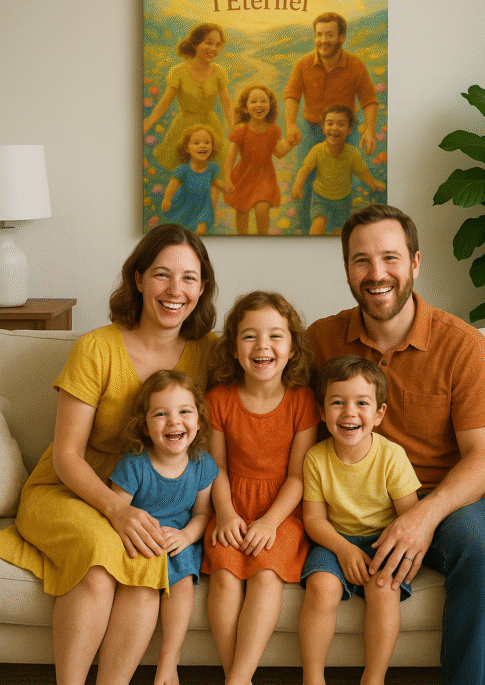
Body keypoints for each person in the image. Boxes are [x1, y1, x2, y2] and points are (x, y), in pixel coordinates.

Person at [0, 223, 218, 685]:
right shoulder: (96, 348)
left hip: (145, 503)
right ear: (138, 278)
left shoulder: (210, 353)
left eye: (189, 278)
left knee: (148, 559)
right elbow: (67, 456)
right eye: (162, 274)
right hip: (68, 492)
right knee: (100, 559)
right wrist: (118, 510)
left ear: (202, 288)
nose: (175, 290)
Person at [306, 203, 485, 685]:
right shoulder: (320, 340)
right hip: (347, 500)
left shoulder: (462, 345)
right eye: (361, 260)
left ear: (415, 263)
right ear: (347, 269)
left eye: (390, 258)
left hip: (442, 498)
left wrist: (424, 515)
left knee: (483, 551)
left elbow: (484, 459)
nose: (376, 274)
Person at [201, 291, 319, 685]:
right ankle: (236, 676)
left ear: (292, 348)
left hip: (281, 513)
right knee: (224, 575)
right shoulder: (219, 399)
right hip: (230, 506)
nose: (262, 345)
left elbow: (298, 476)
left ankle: (237, 679)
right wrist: (226, 514)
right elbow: (216, 467)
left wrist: (270, 522)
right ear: (234, 348)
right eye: (249, 336)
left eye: (275, 336)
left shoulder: (302, 400)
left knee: (265, 574)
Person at [299, 355, 421, 685]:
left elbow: (409, 517)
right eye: (337, 402)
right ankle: (313, 678)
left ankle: (373, 678)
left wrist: (391, 553)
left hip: (383, 539)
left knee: (384, 588)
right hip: (334, 540)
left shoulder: (391, 456)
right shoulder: (315, 458)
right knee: (321, 588)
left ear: (379, 414)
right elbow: (313, 519)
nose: (349, 412)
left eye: (362, 403)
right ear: (322, 412)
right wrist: (344, 549)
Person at [109, 370, 218, 685]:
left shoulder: (202, 464)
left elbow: (203, 514)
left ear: (199, 420)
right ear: (145, 426)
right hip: (140, 541)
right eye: (161, 414)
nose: (174, 422)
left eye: (185, 411)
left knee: (182, 585)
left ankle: (169, 661)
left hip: (178, 541)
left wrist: (186, 536)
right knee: (139, 586)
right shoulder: (134, 464)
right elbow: (115, 512)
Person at [283, 13, 379, 233]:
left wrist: (370, 131)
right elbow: (291, 95)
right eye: (319, 35)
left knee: (345, 179)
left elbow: (369, 100)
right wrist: (290, 124)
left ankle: (341, 231)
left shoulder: (355, 65)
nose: (323, 40)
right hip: (311, 130)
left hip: (345, 133)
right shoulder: (303, 64)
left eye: (329, 35)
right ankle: (304, 230)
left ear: (341, 37)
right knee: (306, 177)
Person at [144, 23, 233, 172]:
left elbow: (227, 106)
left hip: (211, 128)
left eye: (218, 45)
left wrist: (236, 130)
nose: (214, 49)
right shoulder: (179, 72)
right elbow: (164, 103)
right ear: (195, 44)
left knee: (212, 170)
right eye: (208, 43)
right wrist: (148, 122)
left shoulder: (219, 72)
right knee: (184, 170)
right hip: (184, 129)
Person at [291, 105, 385, 235]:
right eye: (330, 124)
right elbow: (305, 169)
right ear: (323, 128)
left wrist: (373, 183)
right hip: (321, 198)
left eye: (341, 124)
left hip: (343, 200)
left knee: (340, 232)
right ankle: (313, 247)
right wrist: (297, 185)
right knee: (317, 225)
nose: (334, 128)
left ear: (349, 129)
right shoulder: (317, 150)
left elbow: (361, 172)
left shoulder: (352, 153)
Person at [224, 84, 295, 235]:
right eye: (253, 101)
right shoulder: (241, 130)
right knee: (242, 211)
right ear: (245, 108)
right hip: (243, 175)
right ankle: (242, 240)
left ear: (270, 106)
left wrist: (291, 143)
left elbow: (279, 152)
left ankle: (263, 239)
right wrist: (227, 178)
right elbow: (230, 157)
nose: (259, 105)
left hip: (265, 175)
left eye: (263, 101)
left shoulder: (273, 130)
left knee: (262, 208)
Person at [161, 124, 230, 234]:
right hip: (185, 204)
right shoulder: (183, 169)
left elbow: (215, 181)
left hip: (204, 206)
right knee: (182, 230)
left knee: (201, 229)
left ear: (212, 146)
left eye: (207, 142)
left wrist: (224, 188)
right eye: (196, 143)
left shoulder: (212, 168)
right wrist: (167, 198)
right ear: (187, 148)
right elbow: (173, 185)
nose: (202, 146)